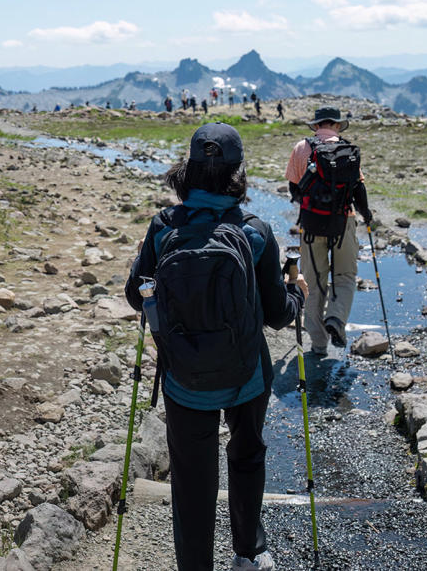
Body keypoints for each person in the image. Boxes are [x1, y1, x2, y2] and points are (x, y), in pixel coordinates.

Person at [125, 123, 305, 571]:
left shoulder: (164, 226)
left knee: (191, 476)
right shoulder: (254, 231)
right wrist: (297, 292)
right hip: (246, 372)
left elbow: (136, 294)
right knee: (246, 455)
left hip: (183, 376)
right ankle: (248, 552)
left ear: (187, 172)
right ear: (237, 174)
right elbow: (276, 313)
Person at [285, 107, 371, 352]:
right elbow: (359, 190)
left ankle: (319, 344)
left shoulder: (302, 148)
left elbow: (294, 189)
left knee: (313, 282)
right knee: (344, 276)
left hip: (312, 224)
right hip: (344, 221)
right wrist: (367, 215)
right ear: (336, 125)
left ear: (315, 125)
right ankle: (336, 317)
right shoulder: (348, 151)